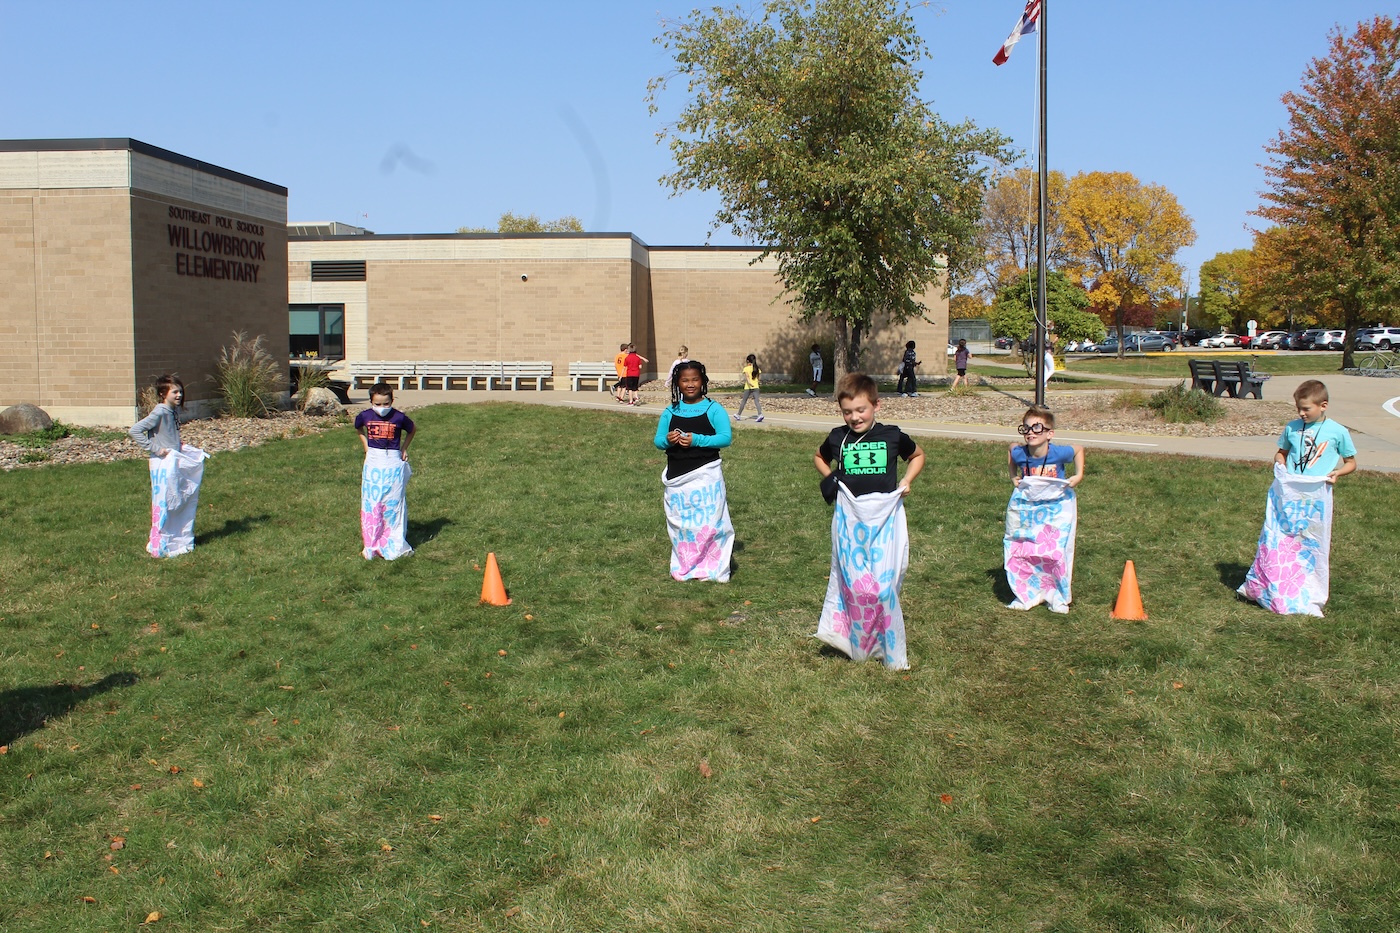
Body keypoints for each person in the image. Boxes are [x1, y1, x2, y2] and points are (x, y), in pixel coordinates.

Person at [812, 373, 925, 670]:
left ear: (876, 405)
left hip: (885, 521)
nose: (854, 417)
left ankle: (890, 646)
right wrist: (832, 479)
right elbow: (819, 457)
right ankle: (859, 643)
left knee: (883, 587)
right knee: (855, 585)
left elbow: (917, 455)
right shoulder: (837, 437)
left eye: (861, 410)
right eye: (847, 412)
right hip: (850, 522)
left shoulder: (892, 436)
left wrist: (907, 480)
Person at [1239, 379, 1357, 616]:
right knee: (1281, 537)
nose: (1301, 413)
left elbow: (1351, 462)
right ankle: (1273, 586)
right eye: (1298, 409)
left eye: (1306, 409)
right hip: (1290, 495)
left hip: (1316, 498)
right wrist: (1280, 463)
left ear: (1323, 406)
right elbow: (1281, 453)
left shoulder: (1338, 432)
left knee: (1310, 541)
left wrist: (1337, 473)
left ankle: (1307, 589)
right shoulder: (1292, 428)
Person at [653, 360, 735, 582]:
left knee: (710, 523)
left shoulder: (714, 409)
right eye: (685, 380)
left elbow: (725, 438)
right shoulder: (670, 411)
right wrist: (668, 440)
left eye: (695, 379)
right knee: (683, 524)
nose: (690, 384)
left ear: (703, 381)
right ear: (677, 384)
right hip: (678, 478)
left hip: (706, 476)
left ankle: (712, 567)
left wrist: (697, 440)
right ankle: (686, 564)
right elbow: (658, 441)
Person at [1004, 405, 1085, 613]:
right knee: (1024, 548)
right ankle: (1026, 593)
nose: (1030, 432)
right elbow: (1011, 448)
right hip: (1029, 509)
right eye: (1026, 428)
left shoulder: (1058, 453)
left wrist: (1078, 475)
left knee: (1054, 551)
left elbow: (1078, 449)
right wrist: (1013, 475)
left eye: (1037, 427)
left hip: (1055, 509)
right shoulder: (1021, 453)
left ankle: (1056, 595)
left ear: (1050, 433)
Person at [129, 375, 209, 558]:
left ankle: (177, 539)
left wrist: (178, 445)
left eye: (180, 391)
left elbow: (167, 434)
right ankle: (160, 541)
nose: (179, 395)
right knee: (164, 501)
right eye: (175, 392)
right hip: (162, 463)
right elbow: (135, 431)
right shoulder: (160, 412)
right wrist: (157, 449)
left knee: (177, 500)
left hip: (172, 460)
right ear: (163, 394)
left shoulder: (172, 411)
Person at [355, 382, 416, 560]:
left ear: (392, 401)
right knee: (372, 501)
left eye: (386, 403)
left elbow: (412, 430)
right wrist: (366, 445)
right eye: (378, 404)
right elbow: (358, 427)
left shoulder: (399, 417)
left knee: (392, 501)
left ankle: (392, 541)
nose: (382, 408)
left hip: (392, 459)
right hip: (374, 460)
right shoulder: (365, 416)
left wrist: (404, 448)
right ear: (371, 402)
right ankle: (371, 542)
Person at [734, 353, 764, 422]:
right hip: (756, 386)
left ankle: (738, 414)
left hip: (748, 387)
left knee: (744, 401)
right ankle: (760, 414)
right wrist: (755, 383)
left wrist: (750, 383)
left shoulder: (746, 368)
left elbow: (747, 377)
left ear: (748, 361)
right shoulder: (757, 368)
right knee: (756, 401)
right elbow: (758, 378)